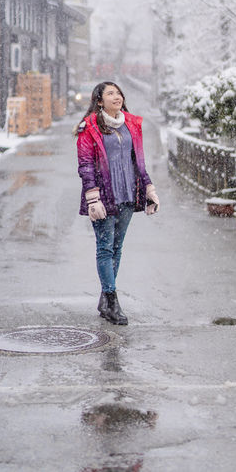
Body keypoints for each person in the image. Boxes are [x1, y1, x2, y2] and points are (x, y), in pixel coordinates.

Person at [76, 81, 159, 326]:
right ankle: (112, 301)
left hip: (127, 194)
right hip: (103, 196)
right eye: (110, 93)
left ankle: (105, 298)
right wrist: (93, 198)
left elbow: (138, 162)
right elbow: (85, 165)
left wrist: (149, 188)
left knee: (117, 247)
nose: (117, 96)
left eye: (118, 92)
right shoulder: (89, 127)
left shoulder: (131, 124)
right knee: (104, 248)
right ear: (99, 101)